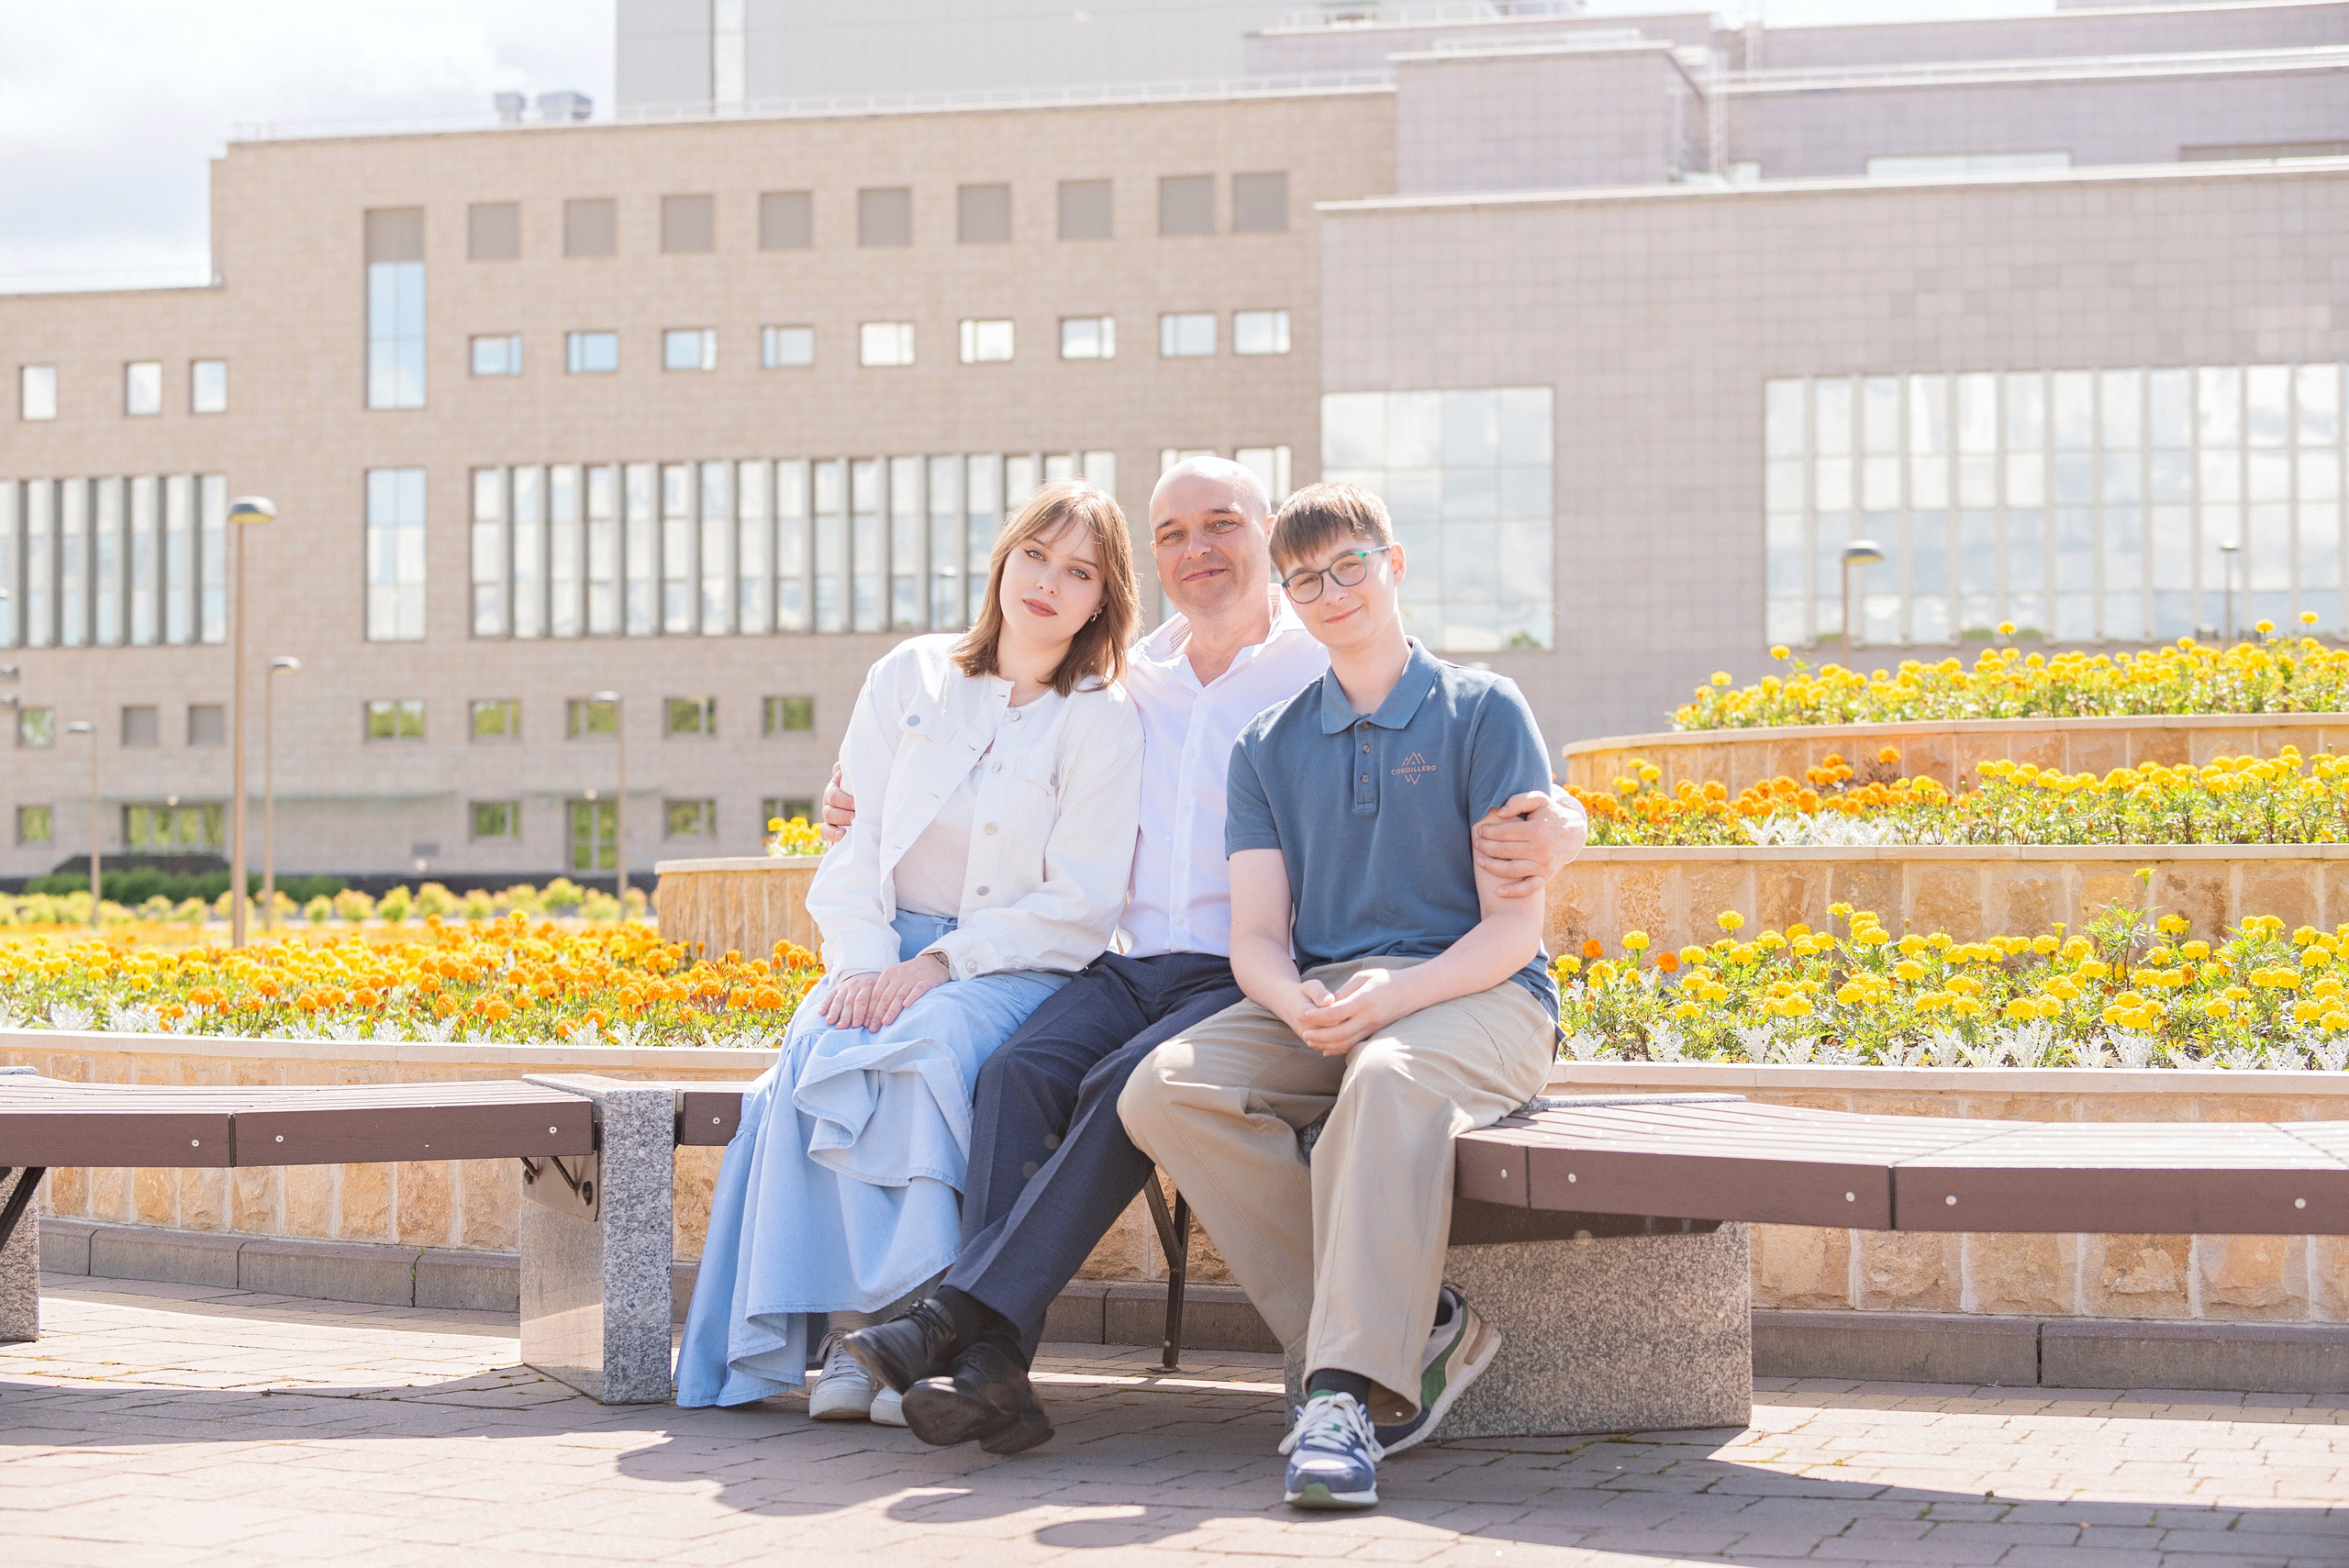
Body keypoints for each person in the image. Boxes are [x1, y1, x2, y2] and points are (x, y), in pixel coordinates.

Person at [831, 460, 1583, 1456]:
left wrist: (1565, 822)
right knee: (1028, 1071)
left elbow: (1501, 838)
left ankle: (967, 1322)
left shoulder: (1326, 664)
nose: (1199, 549)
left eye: (1224, 524)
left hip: (1287, 980)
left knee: (1135, 1085)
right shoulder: (1137, 679)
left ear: (1272, 544)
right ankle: (993, 1363)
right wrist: (857, 796)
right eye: (1174, 532)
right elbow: (1007, 743)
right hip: (1177, 964)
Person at [1117, 481, 1561, 1511]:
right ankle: (1423, 1323)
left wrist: (1396, 995)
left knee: (1385, 1077)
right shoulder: (1267, 745)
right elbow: (1257, 938)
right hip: (1329, 995)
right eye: (1303, 578)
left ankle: (1344, 1391)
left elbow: (1511, 931)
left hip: (1480, 993)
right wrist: (1294, 999)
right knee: (1163, 1089)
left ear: (1393, 565)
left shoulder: (1483, 711)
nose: (1329, 591)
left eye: (1348, 566)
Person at [673, 481, 1144, 1419]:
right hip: (879, 946)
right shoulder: (910, 675)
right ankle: (856, 1337)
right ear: (1002, 559)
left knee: (916, 1053)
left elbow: (1082, 903)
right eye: (1035, 555)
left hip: (1010, 967)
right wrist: (858, 965)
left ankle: (911, 1337)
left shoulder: (1101, 718)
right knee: (821, 1050)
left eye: (1078, 570)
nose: (1048, 581)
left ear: (1103, 599)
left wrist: (933, 968)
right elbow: (854, 841)